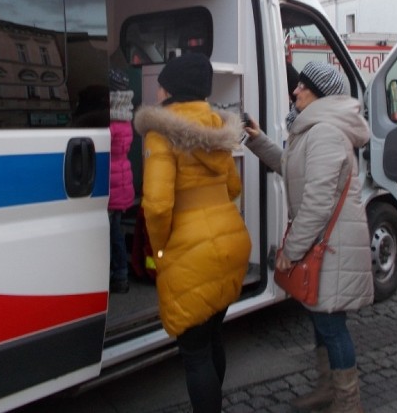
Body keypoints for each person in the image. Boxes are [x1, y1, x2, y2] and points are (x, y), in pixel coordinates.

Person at [244, 61, 372, 413]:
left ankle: (348, 403)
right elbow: (290, 166)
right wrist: (257, 141)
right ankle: (327, 388)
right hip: (327, 244)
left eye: (302, 86)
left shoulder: (325, 132)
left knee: (331, 325)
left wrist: (291, 250)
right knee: (322, 319)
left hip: (331, 246)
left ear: (320, 94)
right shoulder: (314, 129)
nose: (295, 91)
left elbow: (317, 202)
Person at [133, 52, 252, 413]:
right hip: (232, 244)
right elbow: (233, 187)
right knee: (212, 335)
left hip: (191, 254)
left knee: (195, 354)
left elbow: (156, 205)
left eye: (159, 85)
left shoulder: (161, 133)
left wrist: (162, 252)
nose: (155, 93)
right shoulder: (217, 127)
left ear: (170, 90)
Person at [108, 68, 135, 293]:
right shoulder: (125, 120)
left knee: (111, 232)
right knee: (114, 228)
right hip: (122, 178)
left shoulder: (111, 124)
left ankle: (119, 275)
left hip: (112, 180)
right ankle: (120, 274)